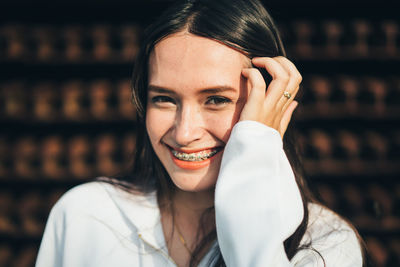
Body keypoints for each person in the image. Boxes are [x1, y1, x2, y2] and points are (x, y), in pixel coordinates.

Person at [36, 0, 365, 266]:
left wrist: (253, 154)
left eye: (217, 100)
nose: (184, 132)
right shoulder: (85, 216)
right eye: (163, 99)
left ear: (270, 102)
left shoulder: (325, 245)